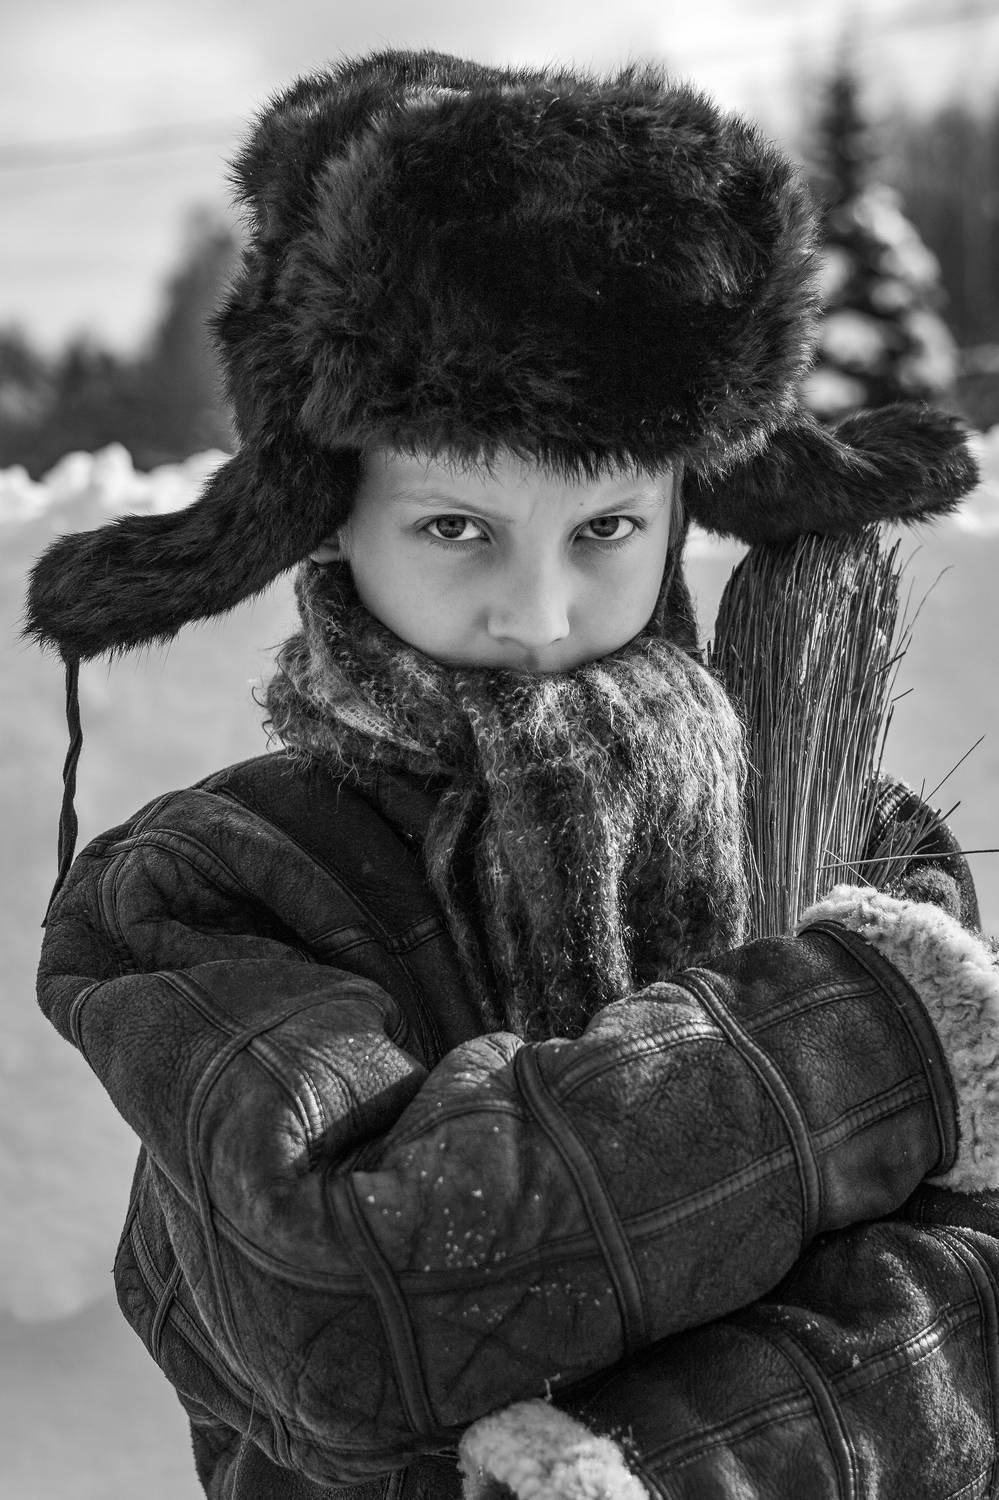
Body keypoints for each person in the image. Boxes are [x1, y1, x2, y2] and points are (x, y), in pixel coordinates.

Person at [25, 50, 999, 1500]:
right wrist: (872, 1034)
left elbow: (966, 1289)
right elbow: (357, 1303)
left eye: (605, 528)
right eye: (456, 528)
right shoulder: (209, 890)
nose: (540, 616)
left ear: (686, 506)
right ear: (324, 516)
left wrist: (655, 1466)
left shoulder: (856, 839)